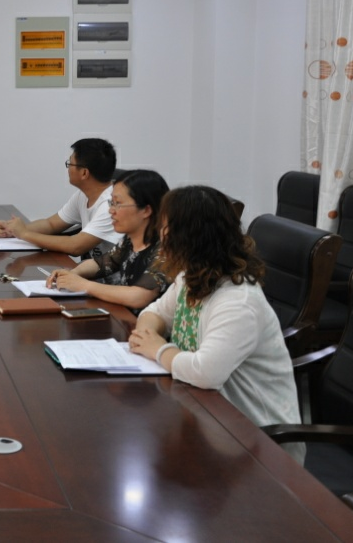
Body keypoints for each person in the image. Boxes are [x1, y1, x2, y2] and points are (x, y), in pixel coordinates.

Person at [127, 185, 304, 461]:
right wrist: (147, 334)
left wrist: (157, 349)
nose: (160, 234)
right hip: (206, 418)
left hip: (258, 444)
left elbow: (205, 373)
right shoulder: (191, 276)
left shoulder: (238, 301)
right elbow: (154, 312)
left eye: (165, 227)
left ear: (188, 237)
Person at [46, 169, 170, 310]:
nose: (111, 210)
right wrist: (73, 273)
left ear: (146, 210)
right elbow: (102, 263)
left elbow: (138, 296)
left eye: (118, 203)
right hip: (123, 316)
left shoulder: (167, 247)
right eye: (111, 202)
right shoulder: (130, 239)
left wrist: (83, 285)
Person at [0, 138, 121, 257]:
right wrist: (13, 230)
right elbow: (51, 224)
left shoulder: (111, 205)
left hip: (111, 273)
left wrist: (24, 234)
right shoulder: (83, 195)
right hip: (90, 270)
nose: (68, 169)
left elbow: (76, 246)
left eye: (70, 164)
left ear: (84, 173)